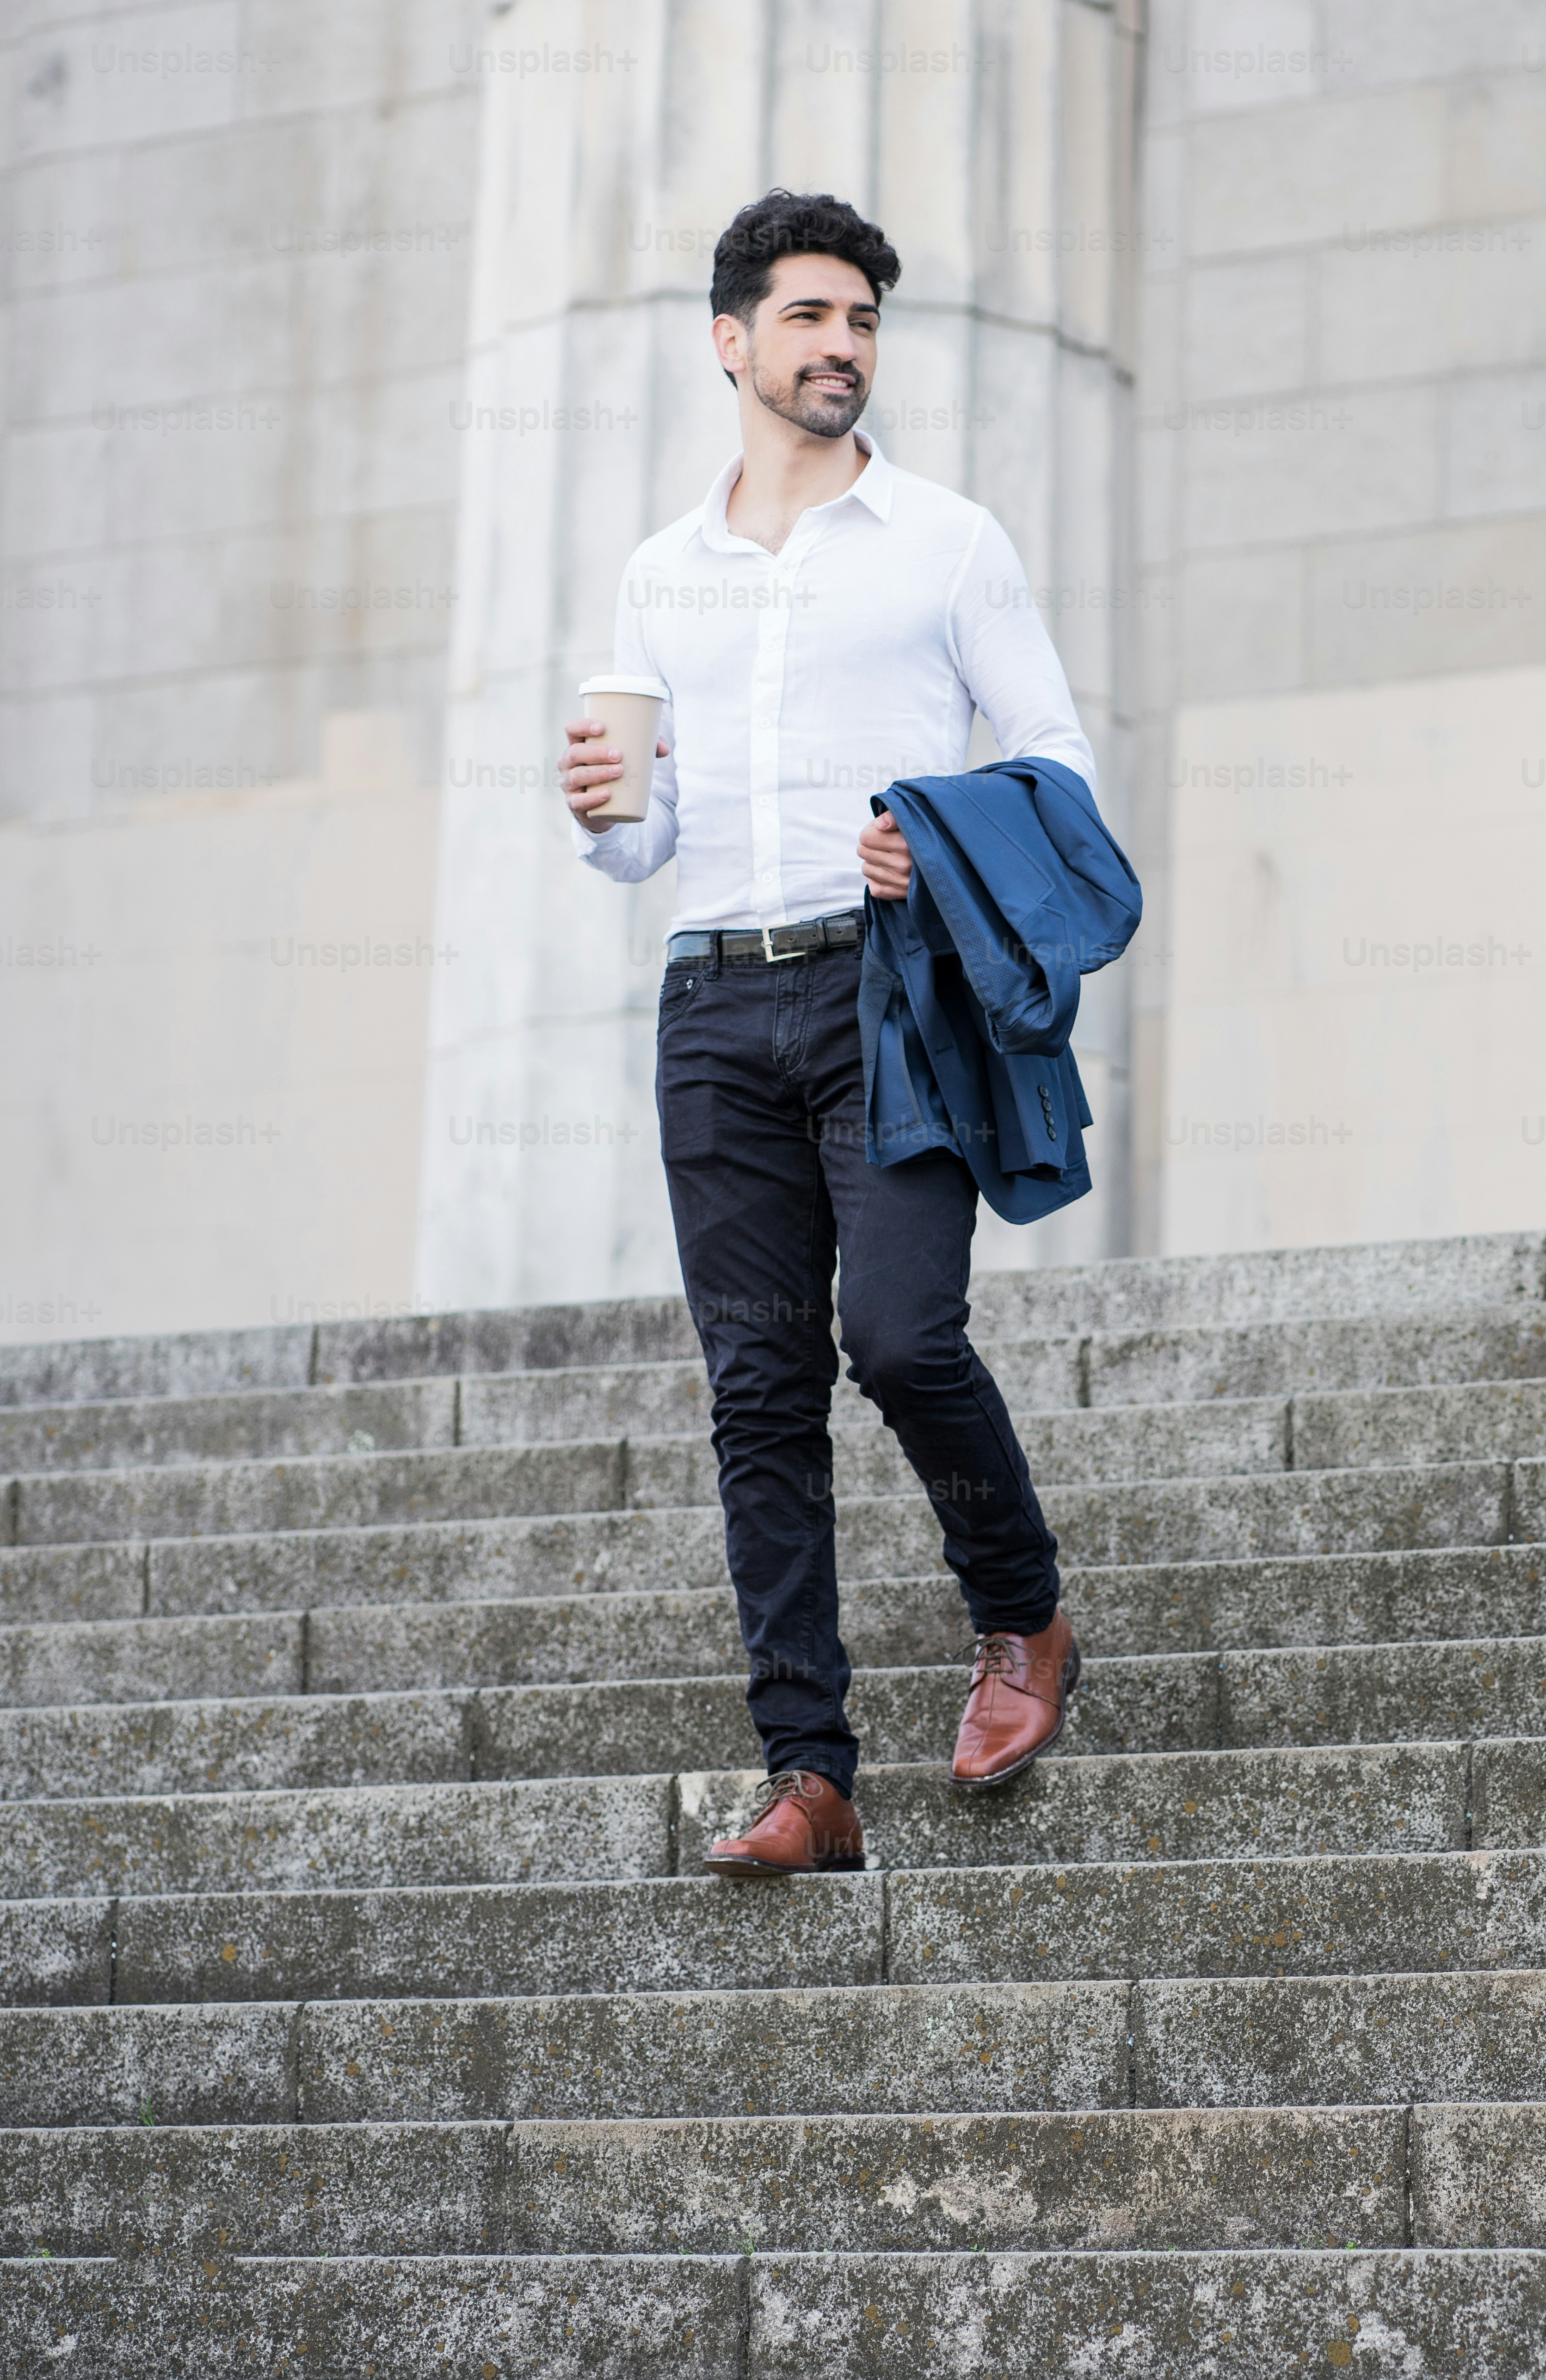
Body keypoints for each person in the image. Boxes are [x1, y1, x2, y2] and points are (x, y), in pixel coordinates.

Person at [558, 190, 1091, 1879]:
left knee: (903, 1334)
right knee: (759, 1390)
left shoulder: (948, 542)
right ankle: (810, 1770)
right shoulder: (660, 574)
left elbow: (1056, 758)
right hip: (714, 995)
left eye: (859, 320)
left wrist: (929, 839)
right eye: (807, 318)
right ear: (732, 342)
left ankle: (1023, 1620)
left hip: (886, 991)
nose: (839, 346)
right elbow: (643, 840)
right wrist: (596, 813)